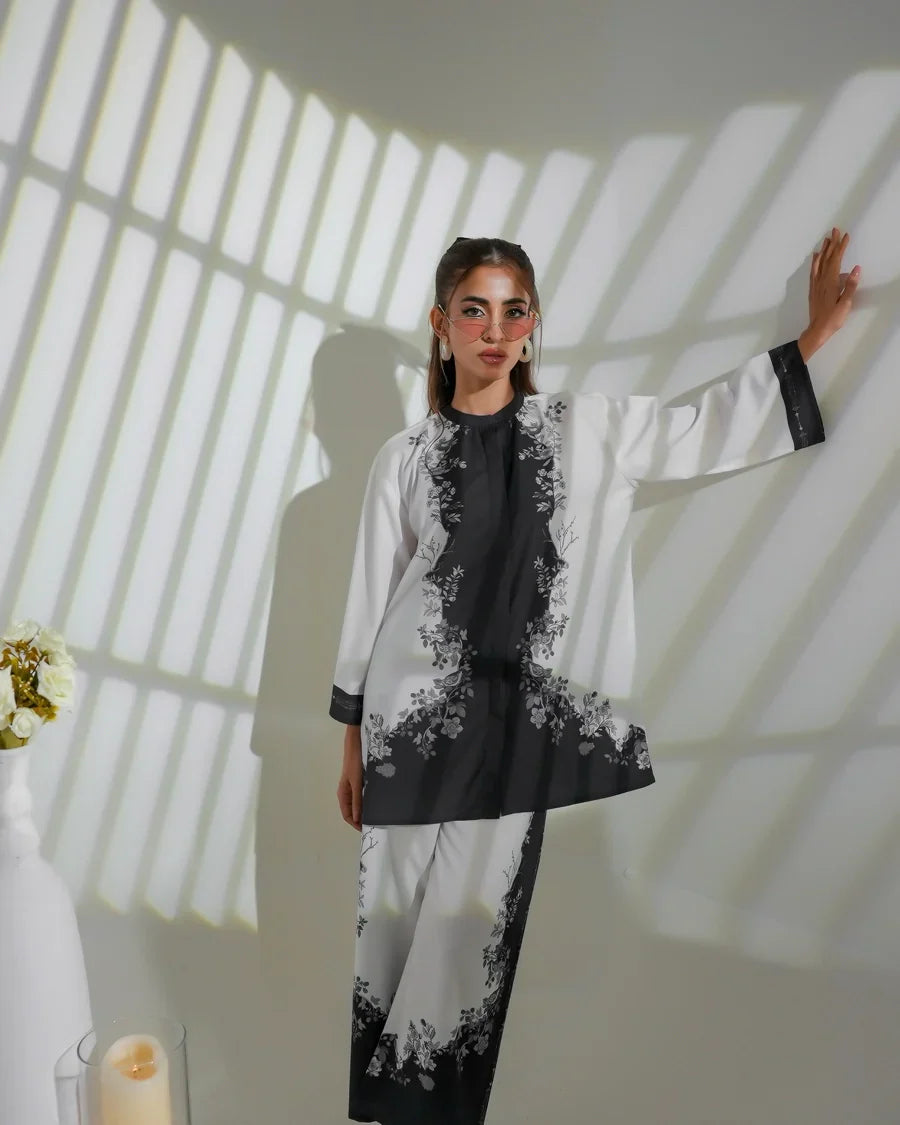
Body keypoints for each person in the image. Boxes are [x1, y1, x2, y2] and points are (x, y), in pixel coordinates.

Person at [331, 230, 859, 1124]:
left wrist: (808, 342)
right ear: (441, 324)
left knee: (464, 947)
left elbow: (694, 429)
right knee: (389, 934)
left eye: (514, 311)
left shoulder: (583, 429)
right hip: (406, 723)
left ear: (532, 326)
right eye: (474, 310)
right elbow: (370, 600)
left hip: (514, 737)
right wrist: (350, 738)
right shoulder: (404, 457)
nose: (495, 330)